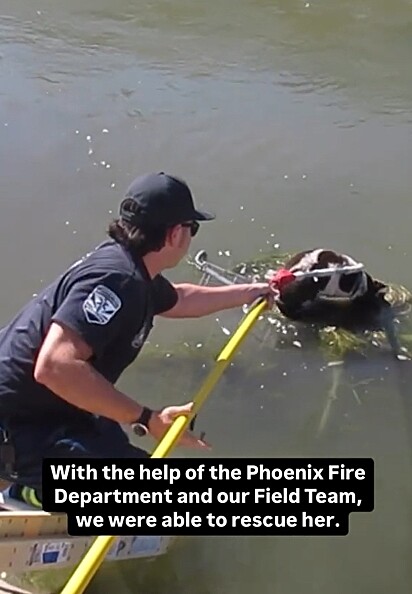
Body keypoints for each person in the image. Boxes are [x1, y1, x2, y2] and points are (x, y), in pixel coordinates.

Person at [0, 172, 273, 507]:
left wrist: (251, 293)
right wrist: (146, 419)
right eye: (192, 228)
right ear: (175, 234)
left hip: (54, 408)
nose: (191, 237)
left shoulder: (131, 269)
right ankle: (30, 492)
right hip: (20, 423)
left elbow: (181, 300)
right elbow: (55, 366)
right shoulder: (118, 280)